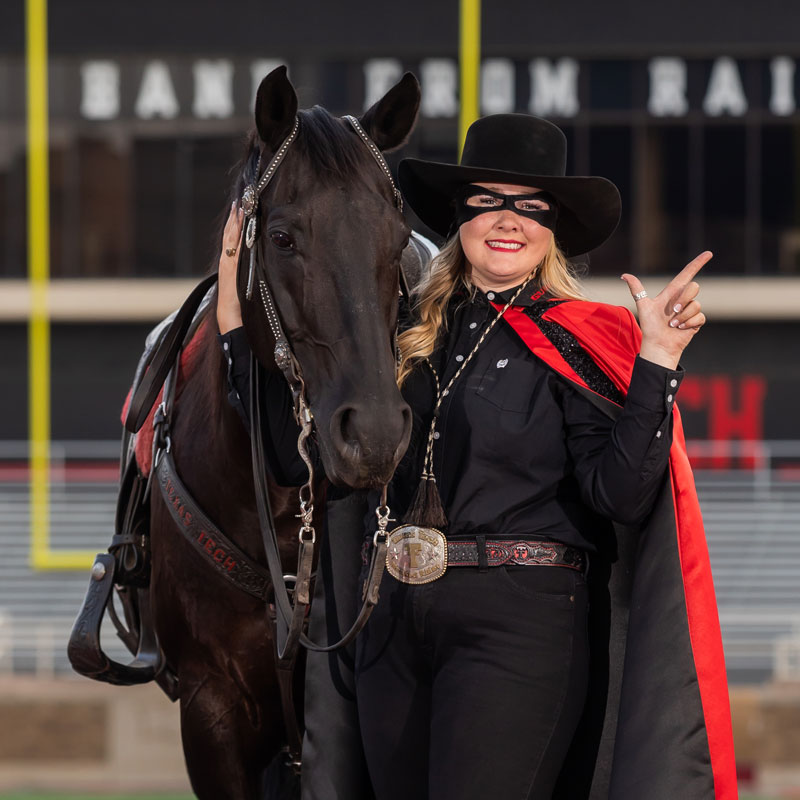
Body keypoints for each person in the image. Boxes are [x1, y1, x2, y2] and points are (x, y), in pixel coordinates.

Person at [216, 114, 736, 800]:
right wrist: (233, 300)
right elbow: (294, 456)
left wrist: (657, 364)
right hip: (391, 624)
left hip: (520, 627)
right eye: (488, 200)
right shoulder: (400, 338)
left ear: (553, 229)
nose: (507, 219)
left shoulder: (587, 340)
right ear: (460, 216)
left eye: (529, 206)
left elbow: (620, 497)